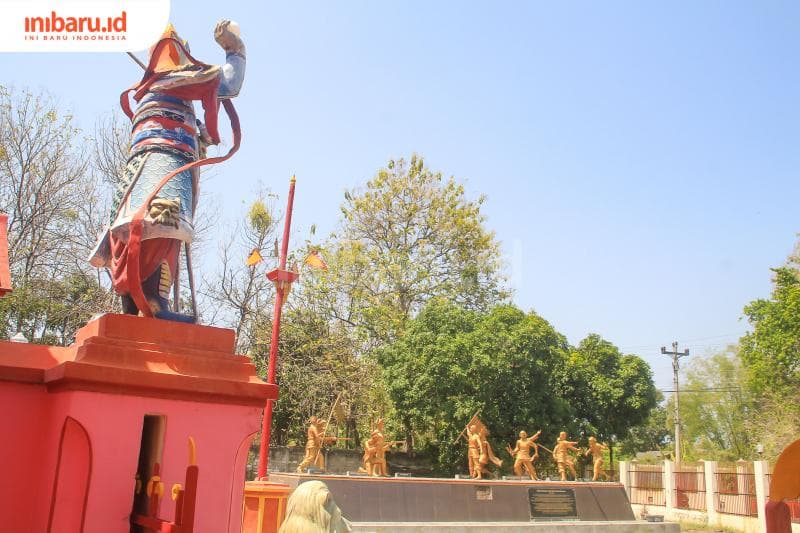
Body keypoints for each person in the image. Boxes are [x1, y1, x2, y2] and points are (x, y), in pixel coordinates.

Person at [89, 20, 246, 322]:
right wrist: (235, 50)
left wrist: (202, 135)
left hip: (142, 169)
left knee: (133, 225)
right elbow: (228, 84)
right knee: (161, 223)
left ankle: (132, 306)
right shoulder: (174, 81)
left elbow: (199, 131)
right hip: (163, 164)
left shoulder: (153, 91)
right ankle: (154, 301)